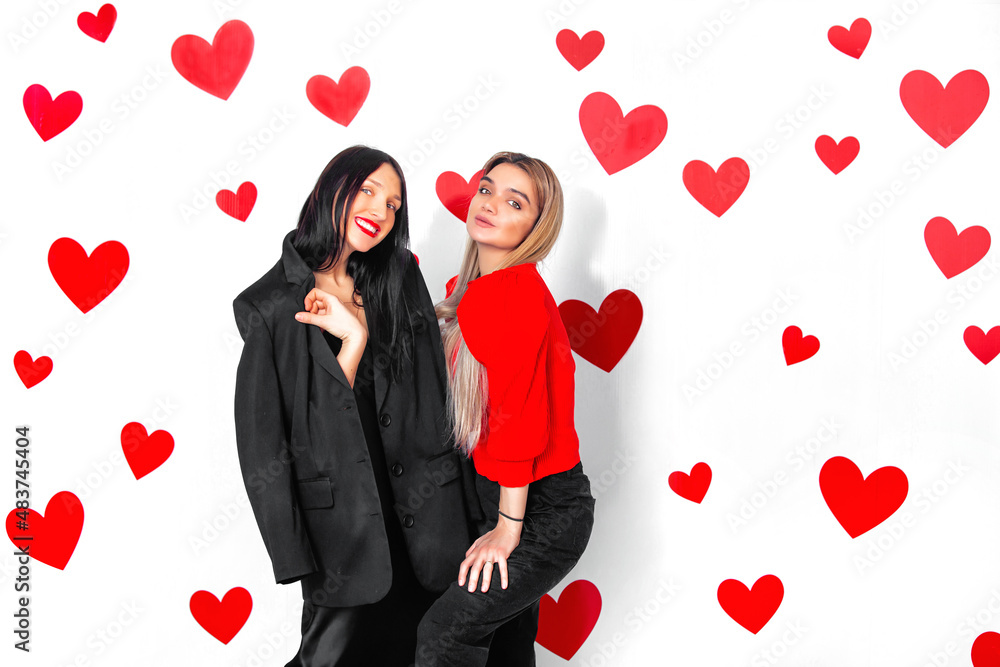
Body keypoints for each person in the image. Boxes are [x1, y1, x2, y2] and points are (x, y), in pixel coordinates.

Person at [232, 145, 533, 666]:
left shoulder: (398, 274)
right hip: (345, 531)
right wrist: (352, 344)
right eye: (368, 191)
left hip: (432, 515)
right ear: (332, 189)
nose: (380, 210)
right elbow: (268, 442)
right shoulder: (270, 305)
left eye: (394, 204)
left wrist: (478, 512)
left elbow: (433, 396)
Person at [416, 152, 596, 666]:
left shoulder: (511, 296)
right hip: (495, 496)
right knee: (508, 648)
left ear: (536, 228)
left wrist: (509, 528)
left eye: (514, 202)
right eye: (486, 189)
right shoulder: (470, 292)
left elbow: (520, 421)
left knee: (444, 637)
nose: (490, 204)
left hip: (540, 508)